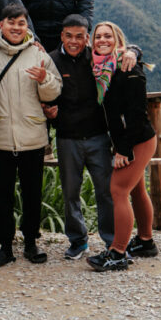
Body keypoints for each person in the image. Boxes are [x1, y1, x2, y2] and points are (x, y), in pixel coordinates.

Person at [43, 15, 137, 260]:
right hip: (67, 138)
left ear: (87, 38)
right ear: (62, 36)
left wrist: (134, 51)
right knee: (70, 192)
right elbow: (44, 91)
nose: (74, 41)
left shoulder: (96, 58)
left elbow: (123, 51)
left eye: (80, 36)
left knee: (106, 191)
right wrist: (50, 112)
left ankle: (111, 241)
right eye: (69, 36)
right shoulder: (51, 60)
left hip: (98, 136)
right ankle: (78, 241)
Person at [0, 5, 62, 267]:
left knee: (32, 193)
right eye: (11, 22)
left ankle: (31, 241)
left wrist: (44, 80)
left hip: (32, 135)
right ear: (1, 24)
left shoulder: (39, 55)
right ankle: (4, 246)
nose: (16, 27)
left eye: (21, 23)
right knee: (1, 194)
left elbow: (54, 92)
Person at [87, 21, 158, 272]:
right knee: (136, 189)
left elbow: (137, 117)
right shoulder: (98, 67)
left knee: (117, 189)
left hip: (138, 139)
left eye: (108, 36)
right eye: (98, 37)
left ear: (118, 41)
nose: (102, 40)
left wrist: (124, 150)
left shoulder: (129, 68)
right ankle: (146, 242)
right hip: (128, 139)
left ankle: (117, 252)